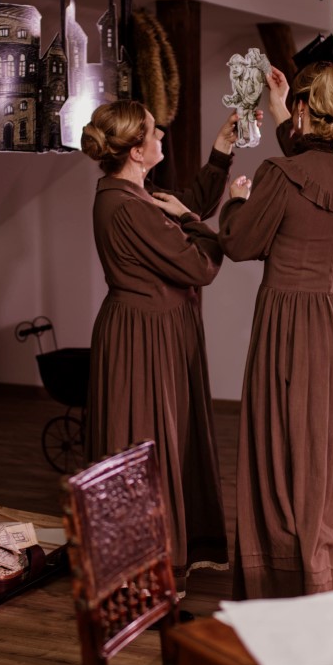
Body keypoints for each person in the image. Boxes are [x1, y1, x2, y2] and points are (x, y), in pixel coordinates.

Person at [220, 61, 333, 599]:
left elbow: (239, 243)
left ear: (307, 108)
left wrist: (236, 201)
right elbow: (314, 166)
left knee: (284, 450)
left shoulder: (277, 174)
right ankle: (330, 571)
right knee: (328, 452)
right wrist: (284, 112)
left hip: (290, 322)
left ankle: (289, 579)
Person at [83, 100, 246, 587]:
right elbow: (199, 264)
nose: (161, 137)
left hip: (153, 329)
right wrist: (206, 215)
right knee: (144, 438)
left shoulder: (133, 193)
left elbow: (182, 203)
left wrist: (221, 151)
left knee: (161, 438)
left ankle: (154, 559)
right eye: (154, 132)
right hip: (143, 336)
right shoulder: (128, 206)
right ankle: (142, 570)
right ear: (136, 151)